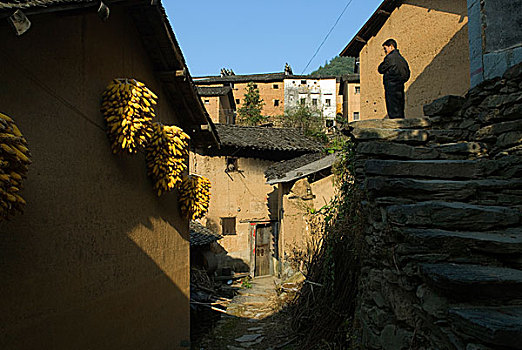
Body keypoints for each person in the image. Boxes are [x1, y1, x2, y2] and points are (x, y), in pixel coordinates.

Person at [378, 39, 410, 119]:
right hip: (400, 86)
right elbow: (407, 73)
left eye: (385, 49)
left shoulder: (390, 58)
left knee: (393, 109)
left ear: (391, 47)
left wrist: (391, 79)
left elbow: (380, 69)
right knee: (400, 108)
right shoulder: (402, 59)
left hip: (391, 87)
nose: (385, 52)